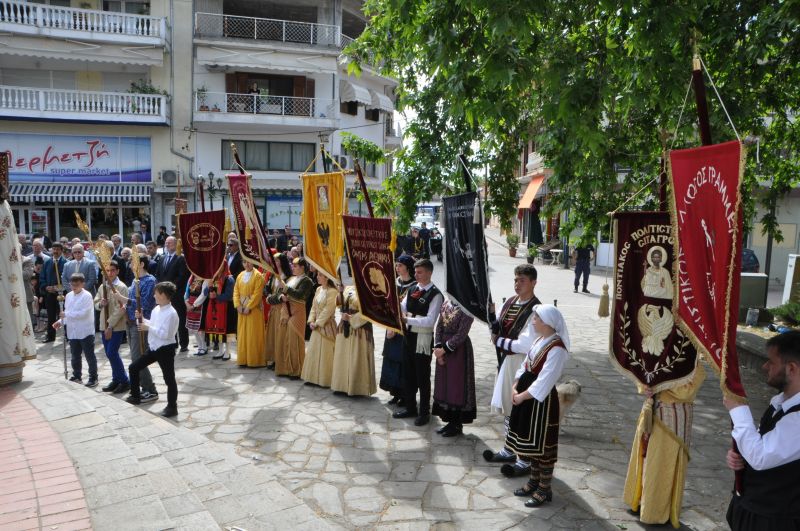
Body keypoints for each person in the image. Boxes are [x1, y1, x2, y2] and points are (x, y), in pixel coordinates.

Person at [725, 331, 800, 530]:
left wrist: (738, 410)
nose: (765, 366)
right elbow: (759, 447)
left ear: (791, 368)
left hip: (776, 519)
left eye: (771, 362)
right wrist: (741, 455)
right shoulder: (780, 403)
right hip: (755, 509)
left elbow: (761, 456)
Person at [622, 361, 705, 527]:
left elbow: (686, 391)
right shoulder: (660, 356)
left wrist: (660, 385)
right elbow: (643, 373)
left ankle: (655, 511)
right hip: (650, 412)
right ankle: (638, 500)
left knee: (662, 464)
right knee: (645, 457)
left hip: (673, 420)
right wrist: (644, 385)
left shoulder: (695, 364)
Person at [506, 304, 569, 508]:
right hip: (526, 396)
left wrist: (522, 396)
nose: (533, 321)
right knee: (530, 444)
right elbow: (525, 365)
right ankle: (533, 481)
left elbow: (545, 380)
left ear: (547, 323)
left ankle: (544, 488)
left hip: (541, 402)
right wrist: (515, 386)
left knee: (543, 447)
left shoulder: (557, 349)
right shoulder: (540, 340)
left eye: (537, 318)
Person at [484, 264, 542, 476]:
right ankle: (509, 449)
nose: (517, 284)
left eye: (522, 281)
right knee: (509, 407)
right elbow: (497, 325)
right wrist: (491, 319)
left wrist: (500, 341)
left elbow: (525, 345)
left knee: (521, 410)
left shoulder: (536, 309)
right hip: (508, 361)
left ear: (534, 283)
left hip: (523, 364)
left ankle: (525, 458)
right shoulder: (510, 302)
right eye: (516, 280)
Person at [394, 258, 443, 426]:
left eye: (420, 272)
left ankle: (424, 412)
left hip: (423, 339)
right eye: (415, 272)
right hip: (409, 337)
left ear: (429, 273)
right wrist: (396, 305)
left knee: (422, 377)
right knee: (408, 374)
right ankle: (410, 407)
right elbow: (403, 306)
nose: (416, 274)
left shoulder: (435, 294)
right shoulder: (413, 288)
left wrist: (408, 320)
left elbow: (430, 321)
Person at [126, 281, 180, 418]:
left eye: (156, 293)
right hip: (155, 347)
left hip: (165, 349)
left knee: (169, 379)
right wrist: (143, 319)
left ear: (163, 295)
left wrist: (147, 327)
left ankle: (172, 407)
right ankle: (135, 396)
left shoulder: (172, 314)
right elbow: (153, 325)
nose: (154, 296)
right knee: (134, 367)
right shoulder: (157, 309)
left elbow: (165, 335)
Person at [115, 254, 159, 403]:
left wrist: (124, 299)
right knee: (136, 357)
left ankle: (150, 389)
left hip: (142, 323)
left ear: (141, 264)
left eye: (133, 262)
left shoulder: (150, 281)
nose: (130, 265)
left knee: (138, 358)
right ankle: (143, 386)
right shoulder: (135, 280)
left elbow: (145, 303)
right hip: (131, 322)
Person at [431, 298, 476, 437]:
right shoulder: (446, 302)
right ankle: (449, 421)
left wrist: (444, 349)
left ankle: (456, 424)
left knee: (456, 386)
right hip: (443, 350)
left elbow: (462, 334)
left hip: (458, 350)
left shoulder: (467, 307)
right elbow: (439, 326)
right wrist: (438, 348)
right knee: (445, 385)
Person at [267, 257, 314, 378]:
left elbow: (301, 295)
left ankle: (296, 370)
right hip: (285, 311)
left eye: (296, 266)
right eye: (292, 265)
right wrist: (277, 298)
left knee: (293, 340)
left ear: (302, 267)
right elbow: (280, 294)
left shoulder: (307, 281)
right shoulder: (291, 279)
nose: (293, 267)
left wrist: (286, 289)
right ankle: (284, 368)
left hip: (297, 313)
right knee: (283, 339)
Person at [380, 255, 417, 404]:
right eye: (396, 265)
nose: (397, 268)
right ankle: (394, 391)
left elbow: (412, 309)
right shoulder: (394, 283)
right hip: (391, 325)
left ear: (407, 267)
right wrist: (389, 325)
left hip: (405, 328)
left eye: (400, 265)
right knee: (391, 358)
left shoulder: (414, 286)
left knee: (403, 360)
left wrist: (399, 325)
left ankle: (404, 393)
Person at [330, 284, 376, 396]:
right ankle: (341, 386)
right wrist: (340, 293)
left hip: (360, 328)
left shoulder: (370, 289)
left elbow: (370, 310)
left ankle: (357, 388)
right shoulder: (349, 288)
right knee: (343, 355)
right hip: (344, 326)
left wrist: (351, 319)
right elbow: (341, 304)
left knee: (356, 356)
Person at [53, 273, 97, 387]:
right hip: (73, 331)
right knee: (75, 355)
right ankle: (77, 375)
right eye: (72, 284)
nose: (74, 287)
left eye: (77, 284)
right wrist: (60, 322)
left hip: (85, 330)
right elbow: (67, 313)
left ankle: (93, 377)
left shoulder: (87, 296)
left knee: (89, 355)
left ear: (82, 284)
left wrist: (66, 314)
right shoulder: (68, 296)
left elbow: (83, 313)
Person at [94, 261, 130, 393]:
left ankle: (125, 381)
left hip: (116, 326)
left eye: (113, 270)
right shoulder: (102, 286)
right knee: (109, 354)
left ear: (118, 271)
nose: (110, 273)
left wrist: (110, 326)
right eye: (107, 271)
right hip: (104, 324)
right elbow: (96, 302)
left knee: (112, 353)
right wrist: (101, 304)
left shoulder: (121, 287)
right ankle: (116, 379)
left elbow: (121, 309)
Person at [301, 271, 338, 387]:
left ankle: (325, 380)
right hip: (316, 326)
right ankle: (312, 378)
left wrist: (317, 323)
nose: (317, 277)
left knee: (326, 353)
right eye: (317, 275)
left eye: (320, 275)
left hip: (327, 326)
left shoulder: (333, 292)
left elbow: (329, 309)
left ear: (327, 278)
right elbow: (313, 307)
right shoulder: (318, 289)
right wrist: (311, 320)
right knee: (314, 352)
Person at [156, 236, 190, 352]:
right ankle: (173, 342)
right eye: (166, 243)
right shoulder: (162, 258)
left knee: (180, 319)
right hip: (164, 296)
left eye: (169, 243)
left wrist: (169, 288)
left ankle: (184, 343)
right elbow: (158, 275)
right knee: (168, 319)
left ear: (175, 244)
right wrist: (161, 290)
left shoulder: (181, 258)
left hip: (176, 294)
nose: (167, 245)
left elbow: (182, 277)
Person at [233, 260, 266, 367]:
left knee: (253, 334)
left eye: (249, 262)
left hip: (254, 310)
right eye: (244, 262)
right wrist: (237, 305)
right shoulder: (240, 275)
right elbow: (236, 291)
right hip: (241, 309)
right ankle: (243, 359)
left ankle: (255, 360)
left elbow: (257, 294)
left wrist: (249, 306)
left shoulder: (258, 276)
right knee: (242, 334)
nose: (247, 264)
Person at [263, 253, 290, 369]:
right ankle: (274, 358)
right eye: (274, 261)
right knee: (273, 334)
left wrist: (271, 299)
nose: (275, 263)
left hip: (282, 309)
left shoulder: (288, 277)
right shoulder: (273, 275)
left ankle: (281, 359)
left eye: (277, 261)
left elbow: (284, 294)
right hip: (273, 309)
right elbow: (267, 288)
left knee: (281, 334)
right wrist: (268, 295)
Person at [204, 266, 235, 360]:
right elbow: (205, 292)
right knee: (217, 329)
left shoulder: (229, 279)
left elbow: (229, 295)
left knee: (227, 330)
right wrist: (209, 290)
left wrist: (216, 296)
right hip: (215, 308)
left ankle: (228, 351)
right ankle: (221, 350)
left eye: (220, 266)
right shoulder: (213, 278)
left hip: (227, 308)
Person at [39, 242, 66, 343]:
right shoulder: (47, 262)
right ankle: (50, 336)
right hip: (50, 294)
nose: (55, 251)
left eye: (57, 249)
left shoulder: (66, 262)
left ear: (61, 251)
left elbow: (67, 278)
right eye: (53, 249)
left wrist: (59, 288)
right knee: (50, 316)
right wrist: (46, 287)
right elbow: (42, 277)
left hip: (62, 294)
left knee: (64, 314)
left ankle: (67, 336)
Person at [184, 275, 208, 356]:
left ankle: (204, 347)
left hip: (199, 305)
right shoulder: (191, 278)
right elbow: (187, 291)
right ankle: (199, 346)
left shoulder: (205, 280)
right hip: (190, 303)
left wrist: (194, 305)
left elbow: (203, 295)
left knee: (200, 328)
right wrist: (186, 302)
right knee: (193, 328)